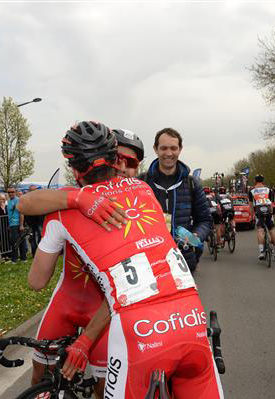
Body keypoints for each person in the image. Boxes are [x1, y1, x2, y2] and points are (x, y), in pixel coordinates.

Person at [27, 121, 223, 398]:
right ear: (116, 160)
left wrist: (75, 200)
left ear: (73, 170)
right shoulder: (144, 191)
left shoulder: (62, 209)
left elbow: (36, 280)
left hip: (138, 329)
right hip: (191, 319)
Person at [17, 128, 144, 396]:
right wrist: (77, 198)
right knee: (40, 376)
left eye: (131, 162)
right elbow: (25, 203)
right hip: (68, 299)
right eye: (119, 158)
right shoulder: (69, 204)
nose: (123, 166)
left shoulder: (141, 203)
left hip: (107, 308)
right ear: (111, 160)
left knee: (104, 387)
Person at [138, 127, 212, 273]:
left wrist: (196, 236)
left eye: (173, 148)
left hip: (184, 261)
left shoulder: (192, 184)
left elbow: (205, 220)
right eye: (163, 148)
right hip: (149, 264)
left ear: (180, 149)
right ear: (155, 149)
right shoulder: (140, 183)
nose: (169, 153)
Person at [249, 175, 275, 260]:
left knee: (260, 230)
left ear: (255, 180)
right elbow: (272, 203)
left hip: (259, 211)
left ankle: (261, 252)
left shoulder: (252, 190)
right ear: (263, 181)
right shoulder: (268, 190)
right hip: (268, 210)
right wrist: (272, 213)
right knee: (272, 229)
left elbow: (251, 205)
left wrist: (252, 216)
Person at [7, 186, 27, 263]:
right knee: (16, 241)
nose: (10, 193)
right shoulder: (9, 201)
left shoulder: (18, 200)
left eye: (12, 192)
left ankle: (16, 259)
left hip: (17, 224)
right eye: (9, 192)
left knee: (17, 242)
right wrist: (9, 225)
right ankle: (22, 258)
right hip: (12, 225)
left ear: (15, 192)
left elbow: (21, 213)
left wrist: (21, 225)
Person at [24, 185, 44, 257]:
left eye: (34, 190)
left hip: (39, 222)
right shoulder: (27, 200)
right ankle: (34, 253)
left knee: (40, 237)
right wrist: (26, 222)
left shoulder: (40, 200)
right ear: (29, 191)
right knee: (32, 238)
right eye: (31, 190)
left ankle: (40, 252)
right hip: (31, 223)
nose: (33, 192)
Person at [0, 194, 11, 262]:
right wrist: (2, 208)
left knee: (8, 240)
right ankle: (4, 255)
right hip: (1, 226)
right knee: (2, 241)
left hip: (7, 225)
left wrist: (4, 207)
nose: (2, 200)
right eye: (0, 199)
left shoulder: (7, 206)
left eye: (3, 199)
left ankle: (9, 254)